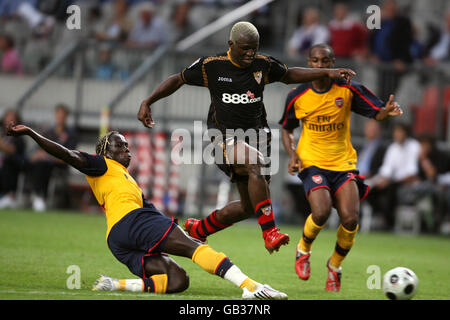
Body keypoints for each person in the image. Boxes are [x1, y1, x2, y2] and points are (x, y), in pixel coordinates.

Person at [137, 21, 357, 254]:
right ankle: (270, 232)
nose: (250, 53)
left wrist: (327, 72)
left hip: (257, 138)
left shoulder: (262, 64)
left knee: (249, 207)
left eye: (254, 48)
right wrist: (147, 101)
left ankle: (199, 230)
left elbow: (290, 74)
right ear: (230, 44)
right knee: (254, 161)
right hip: (223, 138)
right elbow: (177, 79)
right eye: (244, 48)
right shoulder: (211, 66)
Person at [5, 123, 287, 299]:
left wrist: (173, 224)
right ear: (106, 151)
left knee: (178, 281)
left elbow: (149, 211)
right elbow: (67, 154)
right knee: (194, 247)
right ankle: (250, 287)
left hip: (118, 240)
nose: (127, 149)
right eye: (121, 146)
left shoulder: (123, 179)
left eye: (128, 146)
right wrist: (31, 133)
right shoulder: (101, 164)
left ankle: (116, 285)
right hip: (132, 223)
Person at [279, 44, 403, 291]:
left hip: (343, 162)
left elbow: (377, 113)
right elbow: (286, 128)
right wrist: (292, 155)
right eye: (315, 61)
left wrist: (386, 113)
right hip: (312, 162)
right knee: (322, 212)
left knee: (350, 218)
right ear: (309, 63)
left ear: (333, 62)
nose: (321, 66)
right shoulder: (297, 94)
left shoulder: (347, 90)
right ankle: (303, 248)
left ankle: (335, 266)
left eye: (326, 61)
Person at [27, 104, 77, 211]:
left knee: (43, 164)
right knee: (32, 163)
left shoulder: (71, 135)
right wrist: (37, 155)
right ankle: (34, 195)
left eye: (62, 115)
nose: (60, 117)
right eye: (58, 115)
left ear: (66, 117)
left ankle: (40, 196)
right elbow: (39, 149)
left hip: (59, 163)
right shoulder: (48, 132)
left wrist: (47, 157)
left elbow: (69, 156)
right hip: (45, 161)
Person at [370, 123, 420, 229]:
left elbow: (412, 172)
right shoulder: (392, 147)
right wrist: (384, 179)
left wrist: (390, 180)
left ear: (406, 133)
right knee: (370, 191)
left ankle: (389, 222)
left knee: (390, 189)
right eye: (395, 132)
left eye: (399, 132)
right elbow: (386, 168)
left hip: (406, 182)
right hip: (390, 180)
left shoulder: (414, 146)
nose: (396, 134)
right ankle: (382, 216)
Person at [0, 109, 26, 209]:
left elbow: (11, 151)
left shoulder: (19, 137)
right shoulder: (3, 135)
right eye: (8, 117)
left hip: (11, 167)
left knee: (7, 165)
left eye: (12, 118)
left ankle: (9, 197)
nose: (9, 120)